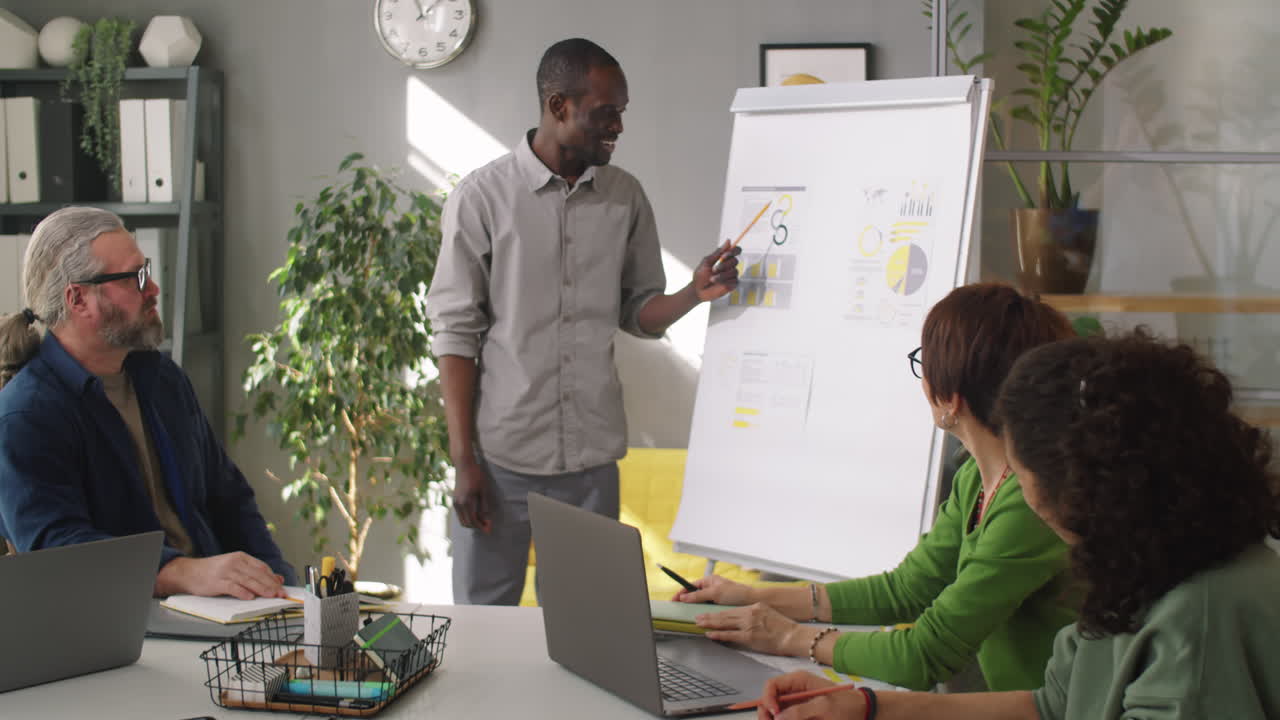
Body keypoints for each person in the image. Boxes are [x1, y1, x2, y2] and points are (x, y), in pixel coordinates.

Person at [752, 330, 1280, 719]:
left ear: (1073, 491)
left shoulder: (1201, 620)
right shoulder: (1152, 559)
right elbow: (1053, 705)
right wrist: (868, 707)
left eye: (1018, 469)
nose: (1012, 482)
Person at [425, 37, 741, 606]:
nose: (618, 125)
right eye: (605, 113)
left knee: (585, 630)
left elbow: (638, 313)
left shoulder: (626, 198)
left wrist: (694, 292)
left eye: (621, 111)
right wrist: (464, 461)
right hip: (502, 464)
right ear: (558, 105)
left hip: (592, 466)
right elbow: (454, 335)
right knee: (482, 628)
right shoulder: (482, 199)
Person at [676, 283, 1077, 691]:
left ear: (951, 399)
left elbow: (925, 655)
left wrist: (789, 637)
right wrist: (753, 597)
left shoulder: (1030, 504)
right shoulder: (976, 477)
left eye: (924, 364)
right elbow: (907, 590)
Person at [0, 206, 296, 599]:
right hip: (124, 624)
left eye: (148, 270)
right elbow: (59, 549)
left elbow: (229, 498)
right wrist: (179, 572)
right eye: (135, 278)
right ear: (78, 299)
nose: (153, 288)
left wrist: (283, 590)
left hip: (215, 611)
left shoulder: (162, 379)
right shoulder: (26, 416)